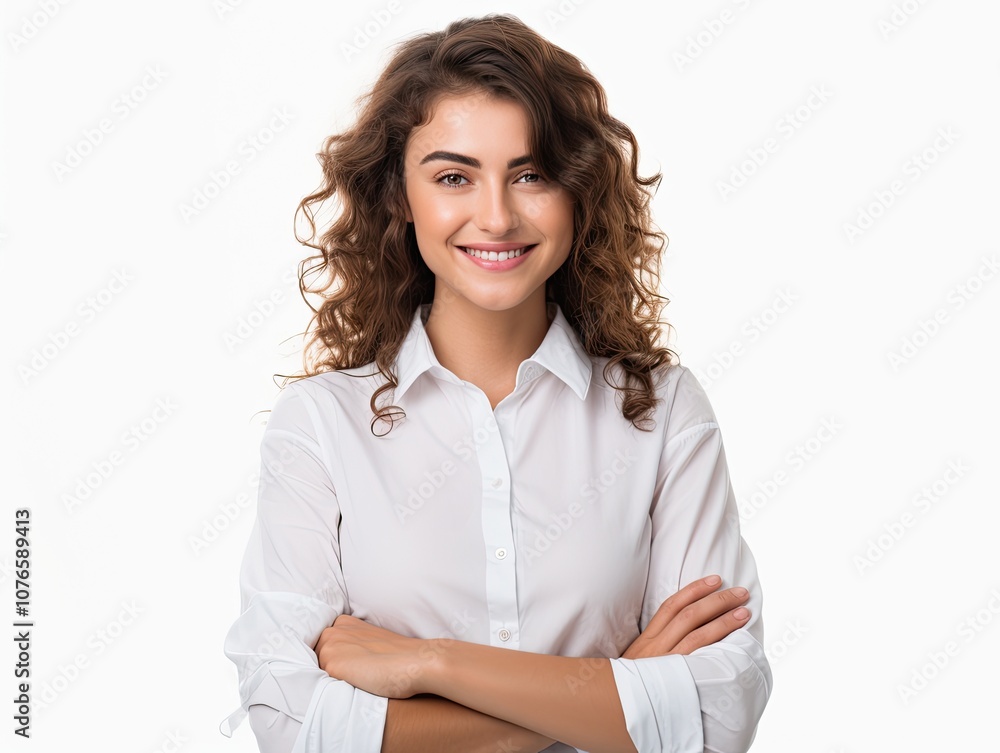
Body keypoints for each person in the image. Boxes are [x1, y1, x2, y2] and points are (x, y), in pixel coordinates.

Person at [221, 13, 771, 753]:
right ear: (398, 196)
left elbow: (718, 711)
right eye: (454, 176)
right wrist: (618, 686)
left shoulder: (663, 411)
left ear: (577, 192)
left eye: (532, 174)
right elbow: (293, 724)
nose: (497, 216)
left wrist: (431, 664)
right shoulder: (320, 426)